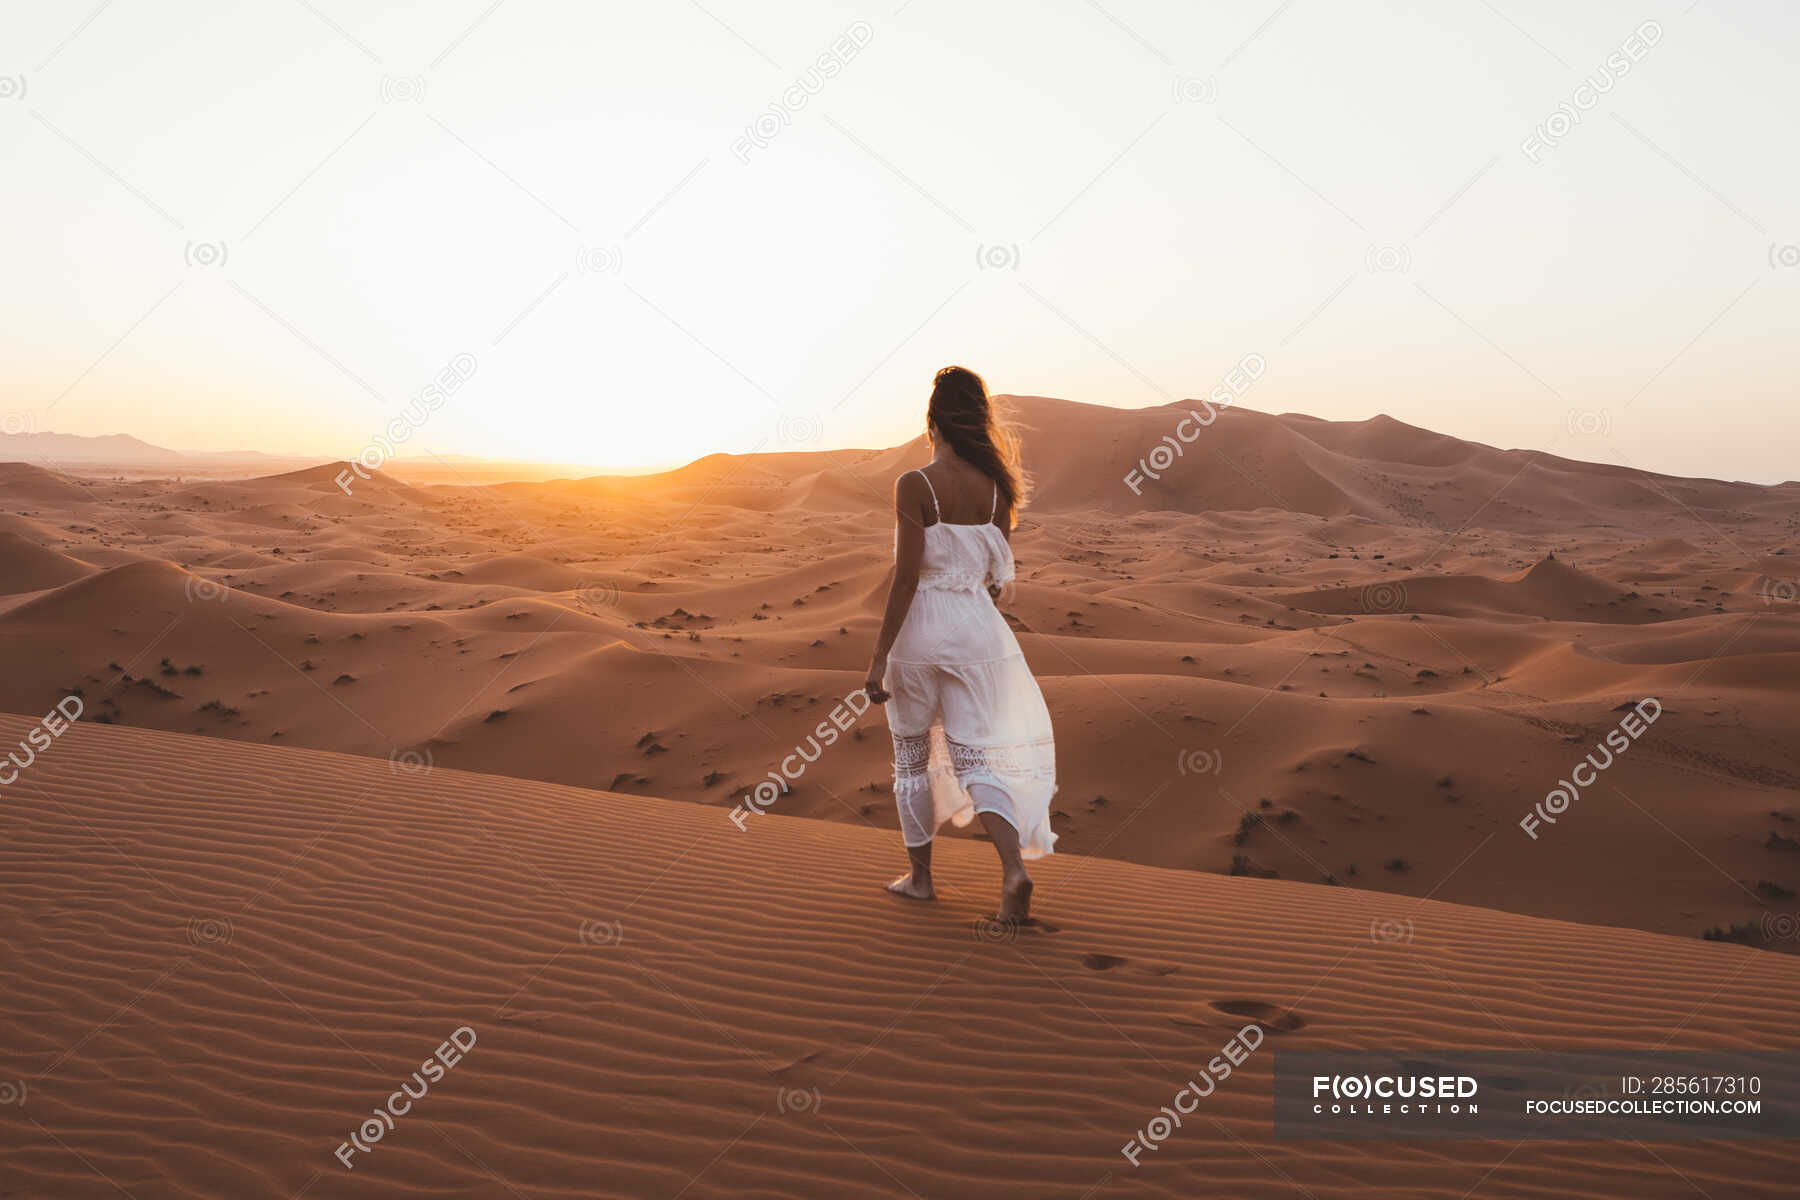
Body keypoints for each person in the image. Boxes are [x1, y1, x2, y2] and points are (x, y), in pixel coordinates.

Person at [864, 366, 1057, 924]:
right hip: (978, 631)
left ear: (932, 422)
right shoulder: (1000, 490)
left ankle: (921, 879)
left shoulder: (914, 485)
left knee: (912, 760)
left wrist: (879, 656)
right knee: (977, 757)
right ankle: (1013, 871)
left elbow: (905, 577)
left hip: (919, 633)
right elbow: (997, 584)